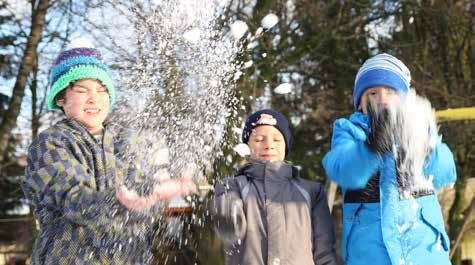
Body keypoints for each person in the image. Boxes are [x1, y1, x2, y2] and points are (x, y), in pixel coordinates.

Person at [22, 40, 196, 264]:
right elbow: (75, 200)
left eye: (102, 90)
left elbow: (142, 201)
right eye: (82, 90)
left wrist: (157, 196)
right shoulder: (51, 144)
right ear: (61, 99)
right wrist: (125, 203)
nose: (94, 98)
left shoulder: (126, 143)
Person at [323, 53, 457, 265]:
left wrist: (426, 149)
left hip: (423, 248)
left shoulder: (418, 128)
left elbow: (444, 174)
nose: (382, 99)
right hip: (369, 250)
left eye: (391, 92)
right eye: (373, 93)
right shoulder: (349, 131)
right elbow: (343, 169)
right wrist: (370, 148)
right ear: (360, 103)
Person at [212, 109, 338, 265]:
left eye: (277, 139)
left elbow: (324, 251)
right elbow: (226, 218)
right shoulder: (233, 185)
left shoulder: (311, 191)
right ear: (247, 146)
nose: (268, 145)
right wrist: (229, 212)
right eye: (259, 139)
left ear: (286, 146)